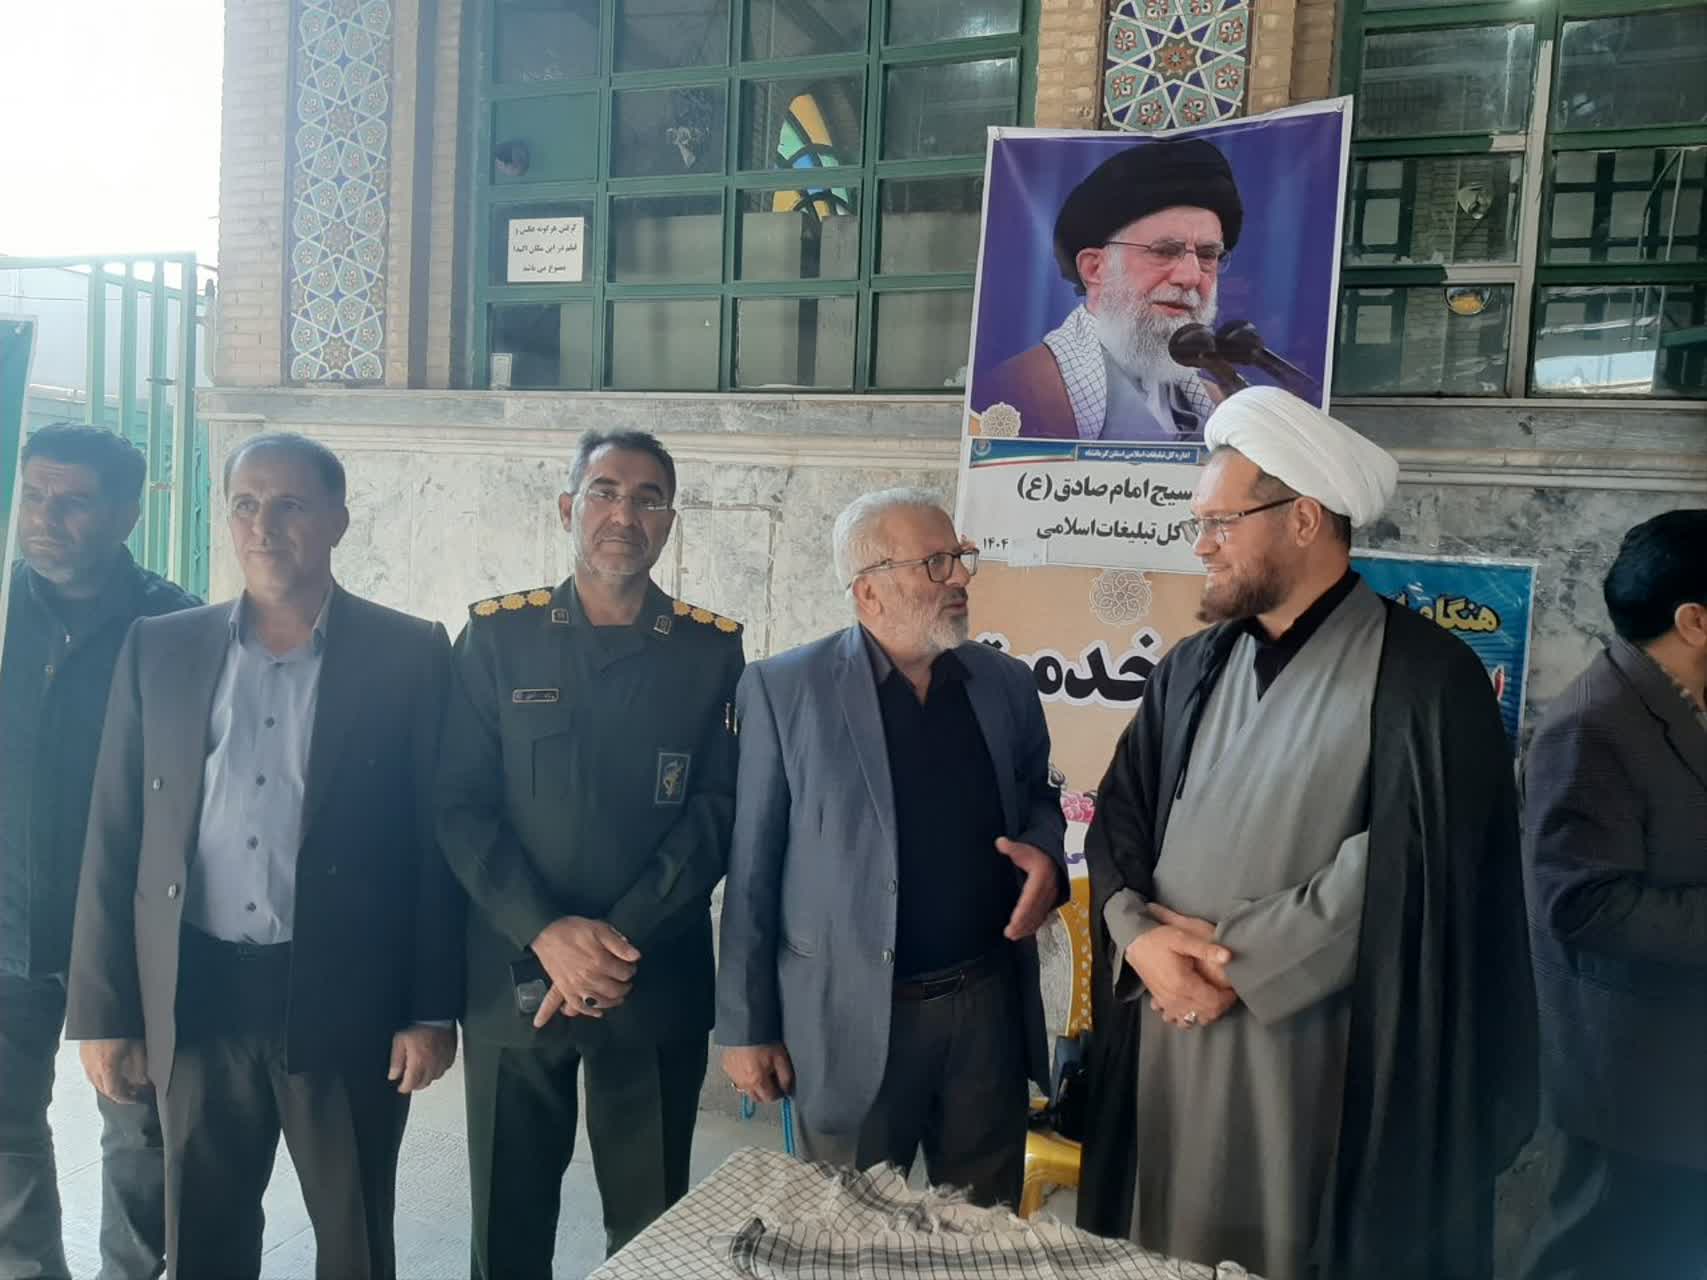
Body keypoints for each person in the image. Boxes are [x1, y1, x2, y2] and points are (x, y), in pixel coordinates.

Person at [1078, 387, 1537, 1280]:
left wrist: (1233, 967)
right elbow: (1121, 813)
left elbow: (1414, 865)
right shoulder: (1192, 666)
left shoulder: (1424, 679)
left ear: (1302, 519)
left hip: (1313, 1054)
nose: (1201, 545)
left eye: (1221, 522)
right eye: (1198, 524)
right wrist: (1140, 942)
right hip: (1166, 1024)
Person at [65, 433, 462, 1280]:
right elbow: (114, 833)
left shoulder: (409, 652)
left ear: (338, 521)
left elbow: (434, 843)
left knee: (355, 1236)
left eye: (290, 505)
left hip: (347, 997)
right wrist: (104, 1013)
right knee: (204, 1236)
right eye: (245, 504)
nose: (263, 525)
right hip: (198, 994)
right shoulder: (160, 647)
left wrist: (431, 1009)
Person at [436, 429, 744, 1274]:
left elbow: (717, 811)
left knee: (648, 1231)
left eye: (648, 499)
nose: (623, 514)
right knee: (507, 1226)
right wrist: (546, 932)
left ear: (668, 522)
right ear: (568, 508)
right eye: (605, 492)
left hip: (651, 977)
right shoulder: (498, 638)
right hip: (514, 974)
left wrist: (614, 942)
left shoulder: (709, 650)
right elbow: (458, 804)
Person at [716, 488, 1067, 1208]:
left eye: (960, 557)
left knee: (980, 1232)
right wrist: (746, 1028)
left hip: (984, 1013)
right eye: (935, 563)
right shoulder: (785, 690)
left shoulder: (1003, 684)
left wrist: (1045, 854)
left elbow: (1040, 796)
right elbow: (752, 868)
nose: (960, 577)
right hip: (845, 1018)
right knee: (844, 1231)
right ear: (868, 589)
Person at [0, 425, 195, 1280]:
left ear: (126, 514)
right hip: (6, 924)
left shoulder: (174, 625)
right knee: (4, 1129)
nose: (45, 518)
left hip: (123, 938)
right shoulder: (1, 608)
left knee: (140, 1129)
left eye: (73, 501)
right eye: (33, 495)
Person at [1519, 510, 1707, 1279]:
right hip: (1634, 1083)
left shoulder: (1677, 702)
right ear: (1694, 622)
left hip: (1681, 1072)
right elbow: (1583, 906)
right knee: (1600, 1254)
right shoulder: (1594, 725)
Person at [973, 137, 1242, 443]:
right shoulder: (1020, 392)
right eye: (1165, 251)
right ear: (1094, 269)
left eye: (1207, 255)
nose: (1191, 276)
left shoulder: (1217, 402)